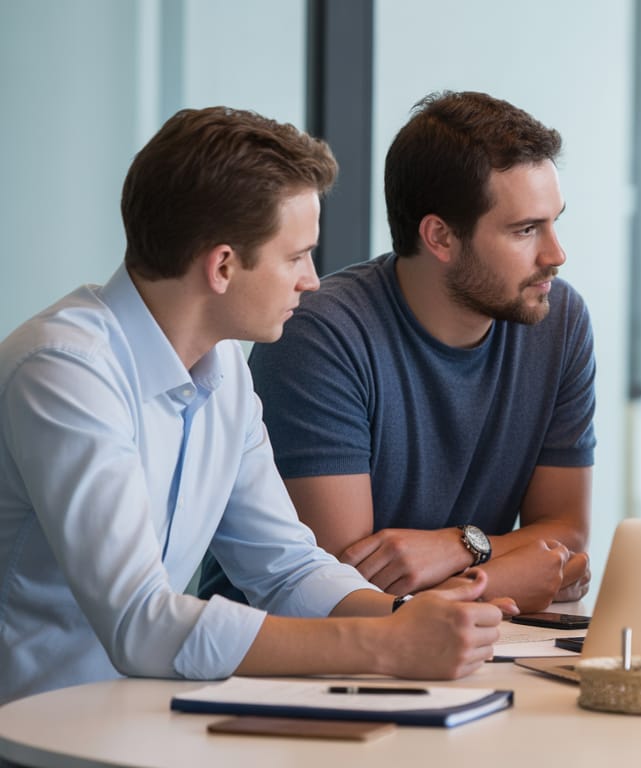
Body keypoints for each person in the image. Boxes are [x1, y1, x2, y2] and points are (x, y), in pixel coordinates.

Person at [0, 107, 513, 706]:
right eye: (296, 256)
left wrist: (410, 616)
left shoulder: (223, 369)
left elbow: (286, 568)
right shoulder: (64, 370)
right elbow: (140, 623)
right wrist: (386, 644)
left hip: (134, 722)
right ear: (222, 266)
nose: (312, 280)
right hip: (28, 730)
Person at [198, 91, 594, 613]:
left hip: (467, 638)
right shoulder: (321, 335)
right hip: (294, 652)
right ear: (440, 237)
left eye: (554, 222)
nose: (556, 254)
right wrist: (504, 575)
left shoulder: (557, 319)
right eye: (526, 230)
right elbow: (345, 583)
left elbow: (567, 535)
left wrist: (462, 546)